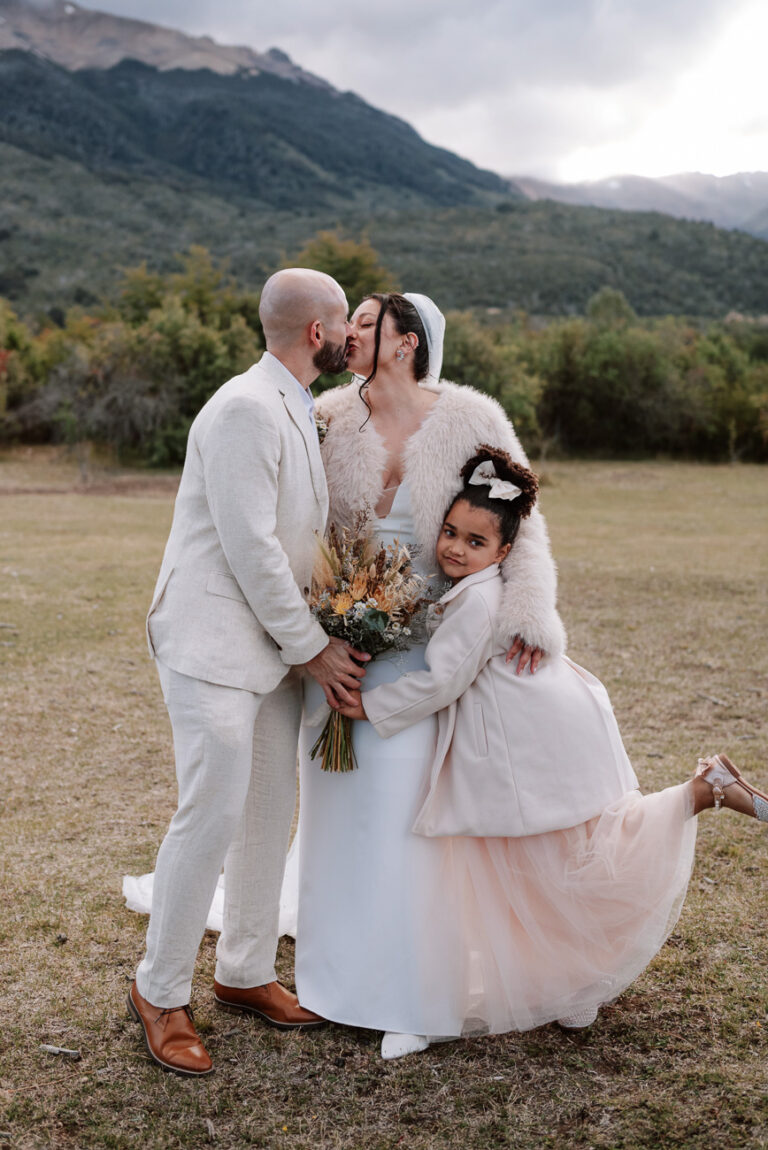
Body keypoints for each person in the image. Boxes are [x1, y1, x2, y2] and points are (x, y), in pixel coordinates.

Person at [331, 446, 768, 1057]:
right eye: (450, 533)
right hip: (550, 722)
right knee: (555, 861)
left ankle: (703, 790)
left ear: (504, 552)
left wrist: (368, 707)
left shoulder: (480, 600)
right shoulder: (479, 588)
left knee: (552, 860)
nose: (455, 548)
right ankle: (574, 981)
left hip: (521, 742)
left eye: (475, 542)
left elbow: (443, 680)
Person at [292, 291, 566, 1058]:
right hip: (339, 647)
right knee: (334, 812)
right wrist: (318, 640)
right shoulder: (328, 418)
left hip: (426, 647)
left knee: (406, 821)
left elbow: (524, 531)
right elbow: (303, 530)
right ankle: (329, 977)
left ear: (406, 343)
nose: (349, 333)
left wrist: (527, 617)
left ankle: (410, 993)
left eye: (367, 324)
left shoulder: (473, 418)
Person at [127, 268, 370, 1077]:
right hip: (210, 644)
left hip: (270, 648)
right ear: (317, 333)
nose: (350, 337)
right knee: (214, 810)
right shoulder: (241, 407)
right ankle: (159, 992)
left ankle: (244, 971)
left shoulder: (296, 404)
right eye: (344, 323)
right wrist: (313, 646)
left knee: (270, 810)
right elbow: (252, 548)